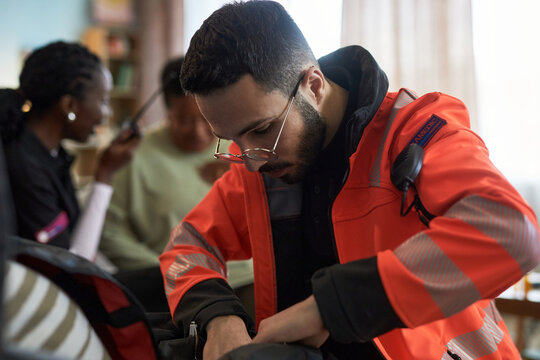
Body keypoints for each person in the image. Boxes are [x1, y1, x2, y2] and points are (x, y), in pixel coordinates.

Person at [159, 1, 540, 359]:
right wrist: (216, 316)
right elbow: (187, 244)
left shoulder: (417, 133)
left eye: (261, 130)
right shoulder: (262, 165)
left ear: (314, 85)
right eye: (231, 139)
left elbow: (510, 229)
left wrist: (332, 307)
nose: (250, 162)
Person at [99, 56, 251, 312]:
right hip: (176, 287)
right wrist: (165, 269)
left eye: (207, 119)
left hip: (244, 278)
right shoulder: (133, 156)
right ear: (167, 111)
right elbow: (110, 232)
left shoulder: (239, 148)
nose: (198, 131)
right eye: (184, 120)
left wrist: (245, 170)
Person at [0, 41, 140, 261]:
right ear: (69, 106)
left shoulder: (52, 154)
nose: (106, 113)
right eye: (103, 101)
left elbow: (73, 234)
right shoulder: (24, 167)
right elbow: (74, 264)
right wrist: (105, 175)